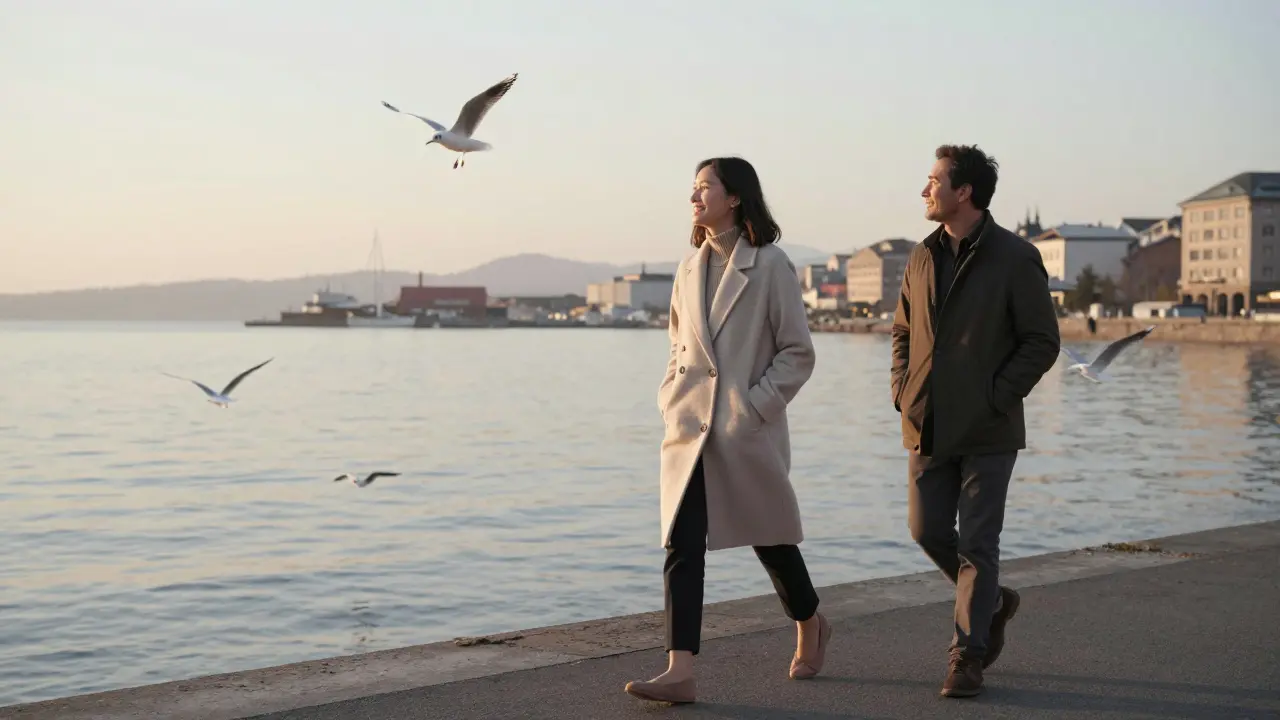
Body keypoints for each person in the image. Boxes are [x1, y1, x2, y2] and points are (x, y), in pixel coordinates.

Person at [623, 157, 830, 705]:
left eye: (704, 187)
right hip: (689, 428)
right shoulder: (687, 268)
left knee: (772, 539)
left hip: (742, 428)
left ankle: (810, 621)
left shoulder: (771, 264)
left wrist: (753, 407)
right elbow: (677, 348)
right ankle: (680, 670)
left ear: (734, 197)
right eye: (693, 188)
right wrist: (669, 398)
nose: (694, 197)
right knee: (682, 543)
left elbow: (798, 352)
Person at [890, 144, 1060, 698]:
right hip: (927, 421)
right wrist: (902, 390)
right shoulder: (921, 255)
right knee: (926, 530)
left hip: (988, 428)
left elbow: (1042, 341)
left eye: (934, 180)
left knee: (978, 544)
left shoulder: (1015, 256)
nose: (925, 190)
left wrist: (996, 397)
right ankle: (995, 602)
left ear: (963, 191)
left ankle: (967, 656)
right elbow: (902, 331)